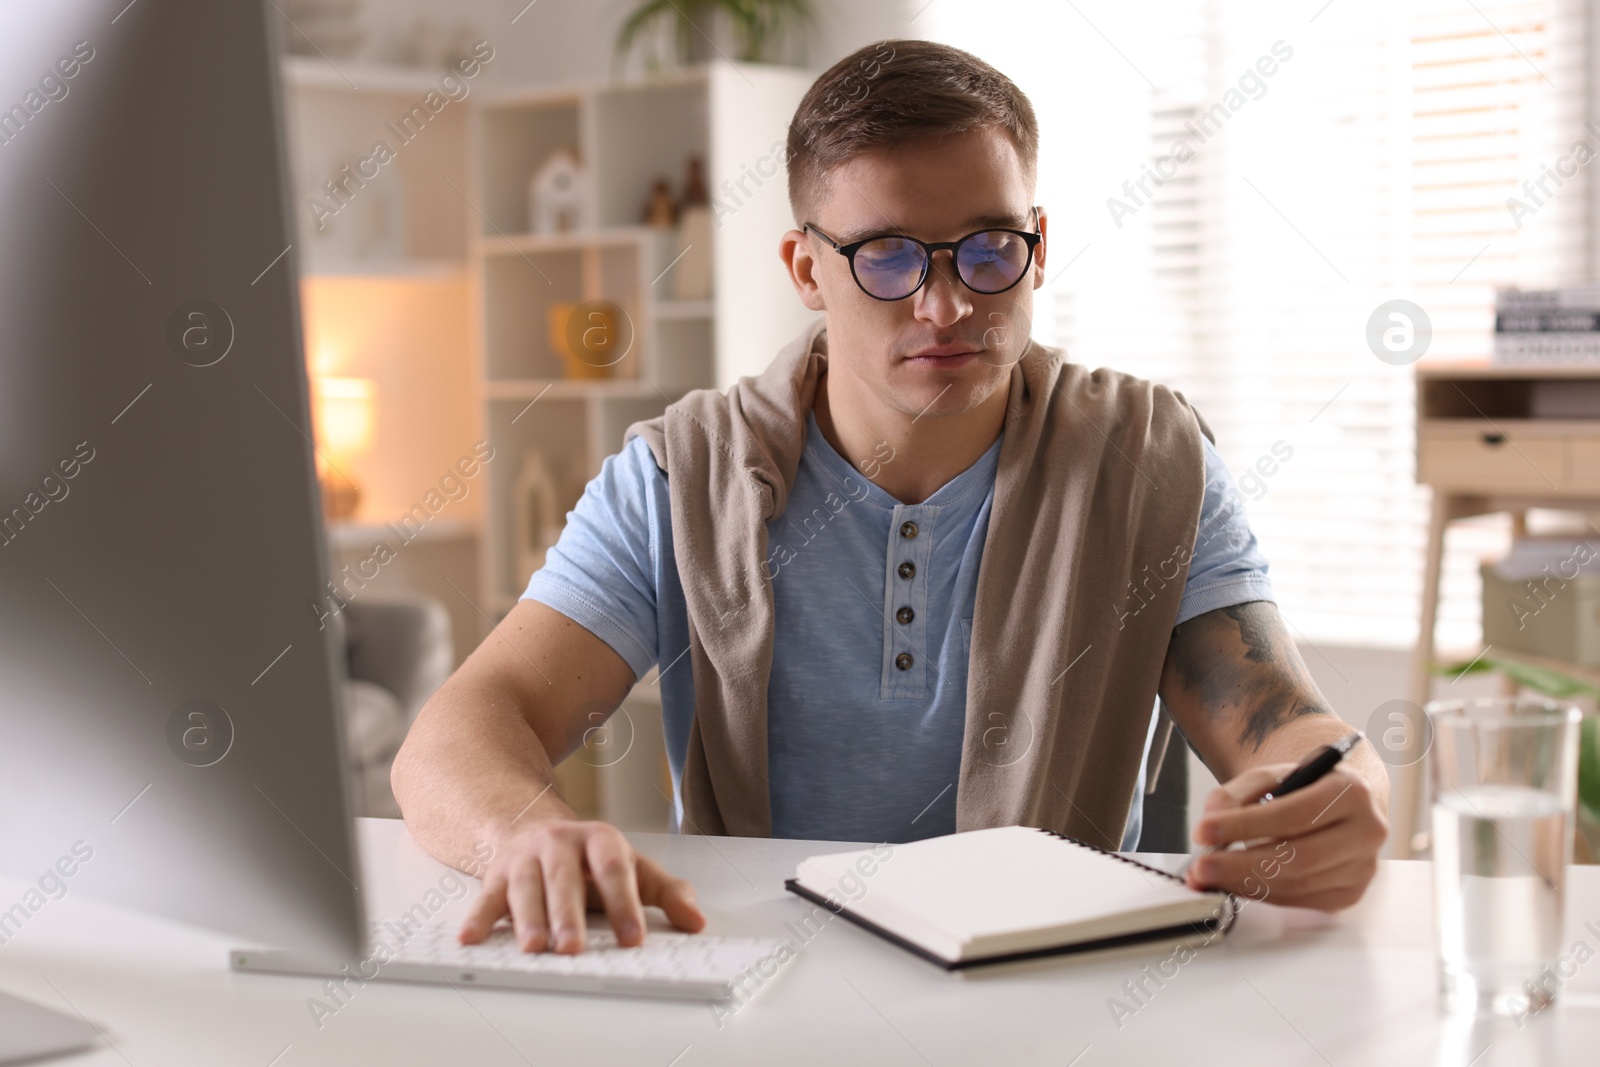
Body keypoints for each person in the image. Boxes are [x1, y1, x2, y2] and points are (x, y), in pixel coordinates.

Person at [391, 39, 1389, 957]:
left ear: (1037, 245)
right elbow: (459, 729)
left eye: (989, 248)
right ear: (804, 270)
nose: (946, 304)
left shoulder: (1148, 460)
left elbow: (1291, 725)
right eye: (887, 255)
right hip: (765, 982)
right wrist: (526, 835)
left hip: (1055, 988)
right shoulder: (679, 476)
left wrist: (1343, 792)